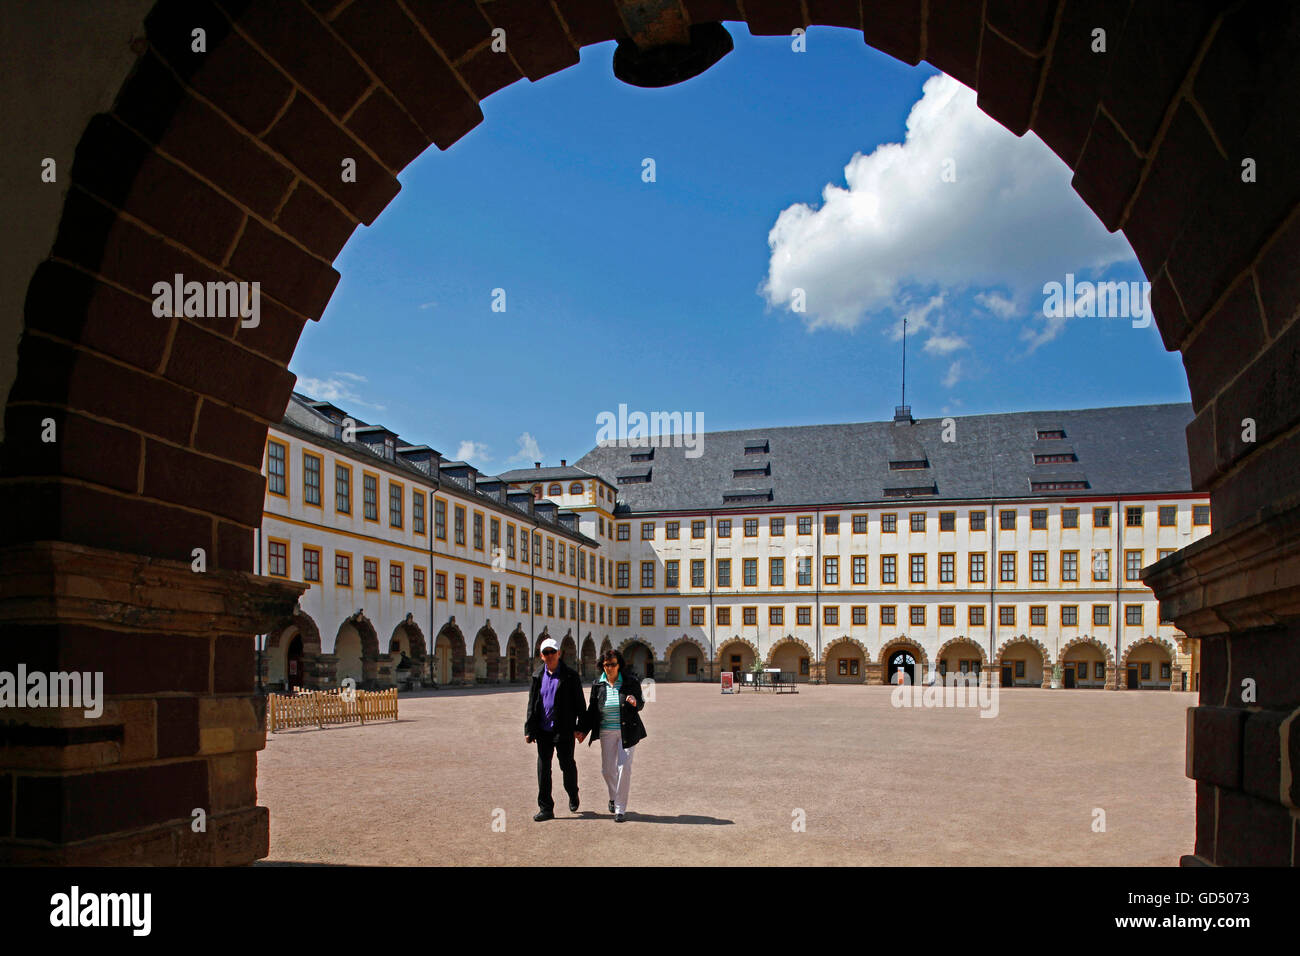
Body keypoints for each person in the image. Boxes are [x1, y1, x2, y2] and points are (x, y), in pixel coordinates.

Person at [577, 648, 647, 822]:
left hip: (628, 730)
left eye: (613, 664)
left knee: (625, 768)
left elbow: (641, 704)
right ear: (602, 666)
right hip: (606, 731)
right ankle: (613, 796)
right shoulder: (598, 685)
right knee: (607, 770)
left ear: (619, 665)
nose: (609, 668)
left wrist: (635, 702)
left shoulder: (630, 682)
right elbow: (592, 710)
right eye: (606, 665)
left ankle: (620, 809)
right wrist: (582, 729)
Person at [524, 637, 586, 821]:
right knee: (543, 769)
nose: (550, 655)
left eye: (552, 652)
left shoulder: (570, 675)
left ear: (559, 653)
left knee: (566, 765)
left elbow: (580, 704)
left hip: (564, 729)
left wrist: (580, 728)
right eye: (546, 653)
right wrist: (529, 728)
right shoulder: (537, 676)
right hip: (543, 730)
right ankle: (546, 808)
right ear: (541, 656)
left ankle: (573, 792)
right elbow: (532, 703)